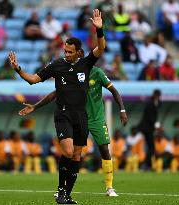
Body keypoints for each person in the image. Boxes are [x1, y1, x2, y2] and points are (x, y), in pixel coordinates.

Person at [9, 9, 105, 204]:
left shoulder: (86, 64)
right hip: (63, 114)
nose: (66, 55)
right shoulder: (57, 65)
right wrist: (18, 69)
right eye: (65, 51)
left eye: (70, 52)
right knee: (68, 151)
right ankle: (60, 191)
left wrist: (99, 31)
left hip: (81, 115)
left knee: (77, 155)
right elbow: (33, 80)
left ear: (78, 52)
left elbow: (101, 49)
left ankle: (67, 195)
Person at [19, 63, 128, 196]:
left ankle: (109, 187)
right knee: (74, 153)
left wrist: (122, 110)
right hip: (79, 118)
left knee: (104, 149)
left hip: (96, 119)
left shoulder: (97, 73)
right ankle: (63, 189)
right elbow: (56, 93)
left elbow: (114, 90)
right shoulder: (73, 74)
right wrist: (35, 106)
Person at [138, 89, 161, 170]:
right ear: (155, 95)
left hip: (148, 129)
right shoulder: (151, 104)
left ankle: (148, 165)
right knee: (151, 148)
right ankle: (146, 165)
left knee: (151, 148)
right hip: (147, 129)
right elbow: (151, 118)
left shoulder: (155, 103)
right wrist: (158, 126)